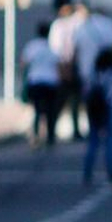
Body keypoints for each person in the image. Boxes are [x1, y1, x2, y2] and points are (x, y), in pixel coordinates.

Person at [81, 42, 112, 187]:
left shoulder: (94, 73)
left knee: (93, 141)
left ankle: (87, 171)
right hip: (110, 108)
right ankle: (111, 172)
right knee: (110, 141)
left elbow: (86, 91)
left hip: (94, 110)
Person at [21, 19, 64, 147]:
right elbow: (59, 66)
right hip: (50, 82)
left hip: (35, 81)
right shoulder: (52, 48)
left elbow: (24, 63)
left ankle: (35, 134)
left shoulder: (31, 46)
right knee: (50, 111)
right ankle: (50, 136)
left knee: (37, 110)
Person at [48, 1, 85, 140]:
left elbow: (55, 47)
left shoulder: (59, 26)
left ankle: (58, 130)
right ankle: (58, 129)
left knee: (67, 100)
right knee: (66, 100)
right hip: (67, 65)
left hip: (65, 65)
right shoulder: (69, 26)